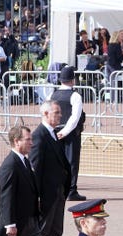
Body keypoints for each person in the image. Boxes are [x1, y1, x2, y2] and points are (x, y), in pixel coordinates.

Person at [30, 100, 71, 236]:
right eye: (56, 113)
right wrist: (37, 195)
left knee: (55, 233)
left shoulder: (54, 133)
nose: (60, 116)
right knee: (40, 233)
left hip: (57, 192)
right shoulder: (39, 136)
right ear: (45, 114)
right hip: (47, 194)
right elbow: (36, 168)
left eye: (60, 112)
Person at [48, 66, 86, 201]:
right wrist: (64, 132)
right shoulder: (75, 96)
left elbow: (46, 113)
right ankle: (71, 190)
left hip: (55, 131)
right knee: (72, 162)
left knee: (57, 162)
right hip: (70, 134)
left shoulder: (52, 95)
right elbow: (75, 118)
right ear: (73, 80)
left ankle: (58, 189)